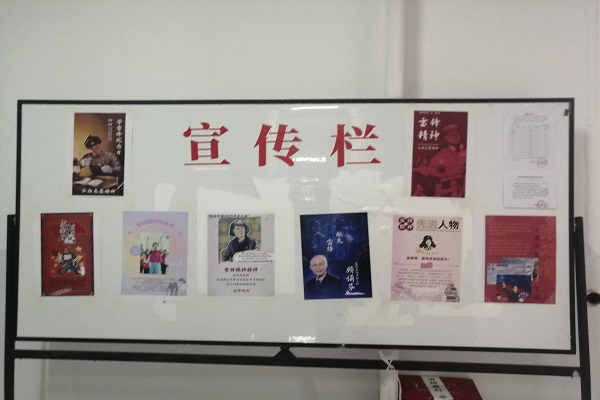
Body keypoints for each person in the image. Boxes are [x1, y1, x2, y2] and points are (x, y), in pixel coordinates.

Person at [412, 123, 467, 197]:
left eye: (457, 134)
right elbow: (434, 164)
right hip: (442, 179)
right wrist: (427, 163)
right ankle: (419, 194)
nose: (455, 137)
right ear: (446, 138)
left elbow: (461, 169)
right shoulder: (443, 151)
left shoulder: (465, 150)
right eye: (451, 135)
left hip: (459, 181)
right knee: (422, 176)